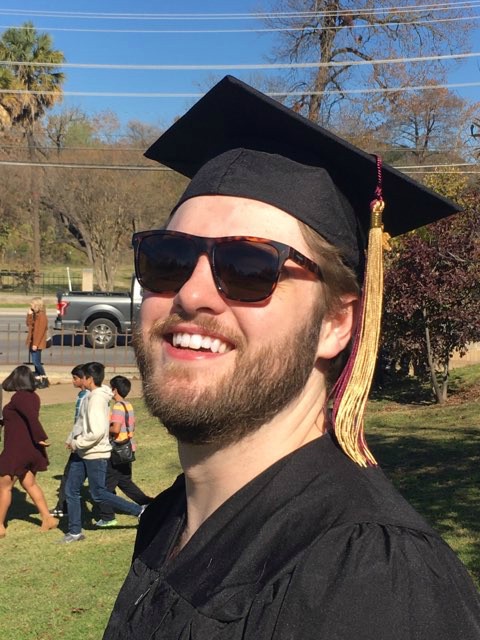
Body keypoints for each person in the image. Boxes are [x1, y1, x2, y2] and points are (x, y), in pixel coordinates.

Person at [103, 77, 480, 638]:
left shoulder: (374, 582)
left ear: (336, 323)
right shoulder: (168, 519)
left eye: (250, 268)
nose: (191, 293)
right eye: (169, 258)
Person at [60, 362, 144, 544]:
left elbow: (97, 431)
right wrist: (72, 438)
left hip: (95, 453)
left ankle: (140, 511)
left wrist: (77, 442)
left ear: (89, 379)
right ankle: (75, 531)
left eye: (81, 377)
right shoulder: (89, 396)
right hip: (83, 452)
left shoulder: (97, 399)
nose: (79, 380)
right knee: (71, 489)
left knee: (98, 493)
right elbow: (82, 422)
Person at [0, 365, 58, 538]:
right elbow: (23, 419)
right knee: (29, 484)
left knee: (4, 488)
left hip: (17, 449)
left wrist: (41, 436)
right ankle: (48, 518)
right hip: (30, 449)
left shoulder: (19, 398)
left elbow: (32, 419)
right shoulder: (33, 397)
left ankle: (0, 526)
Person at [95, 376, 153, 528]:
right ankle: (148, 503)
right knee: (125, 482)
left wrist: (101, 428)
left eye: (110, 387)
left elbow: (115, 428)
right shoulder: (128, 405)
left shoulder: (118, 407)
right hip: (128, 448)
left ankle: (107, 516)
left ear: (115, 390)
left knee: (105, 487)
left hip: (117, 451)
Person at [49, 364, 89, 518]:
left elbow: (82, 421)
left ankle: (63, 507)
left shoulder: (88, 397)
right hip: (80, 440)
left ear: (84, 379)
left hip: (82, 442)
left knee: (70, 476)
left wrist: (73, 438)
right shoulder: (82, 395)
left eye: (75, 378)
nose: (73, 381)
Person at [26, 297, 49, 389]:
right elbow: (28, 324)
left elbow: (40, 332)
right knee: (36, 362)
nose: (30, 305)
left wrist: (36, 344)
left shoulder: (42, 316)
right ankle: (39, 380)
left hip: (37, 343)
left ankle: (44, 379)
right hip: (33, 342)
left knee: (36, 362)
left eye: (32, 304)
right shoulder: (36, 315)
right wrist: (29, 315)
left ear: (37, 305)